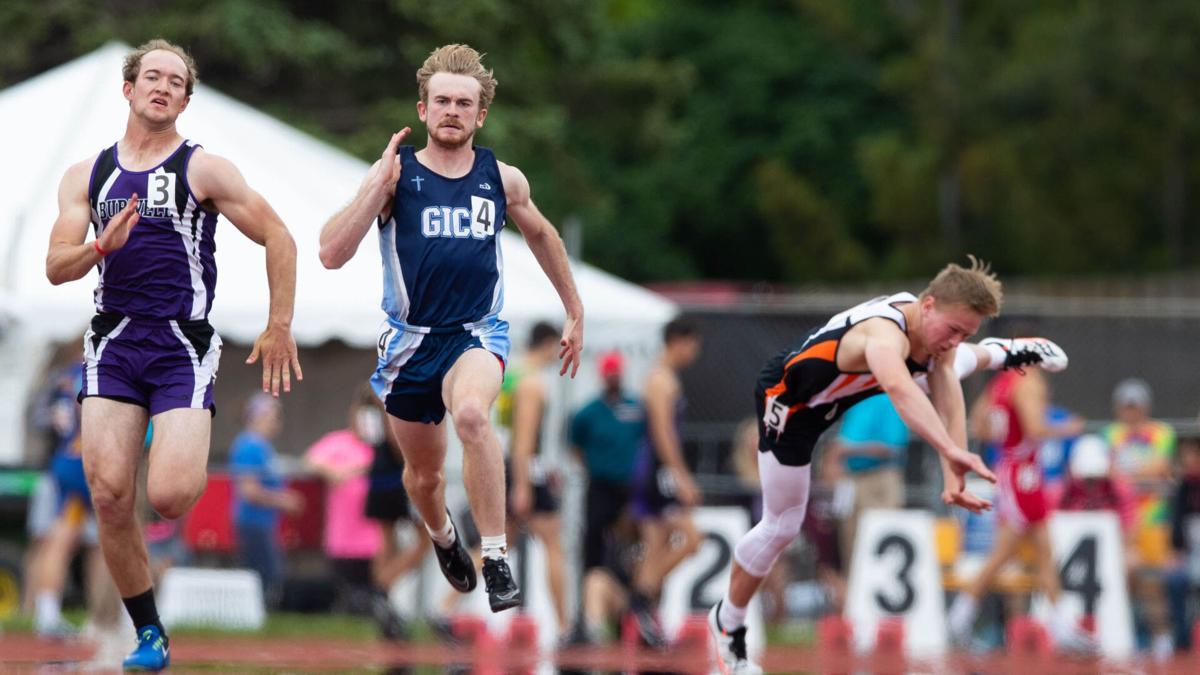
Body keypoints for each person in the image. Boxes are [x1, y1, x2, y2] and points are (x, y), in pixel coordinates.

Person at [44, 38, 302, 671]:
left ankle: (170, 470)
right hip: (113, 338)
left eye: (175, 81)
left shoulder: (203, 169)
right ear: (128, 90)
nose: (162, 86)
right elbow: (55, 267)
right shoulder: (87, 174)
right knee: (108, 493)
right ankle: (149, 633)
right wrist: (99, 248)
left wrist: (279, 323)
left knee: (170, 495)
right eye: (151, 77)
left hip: (181, 343)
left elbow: (278, 234)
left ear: (186, 99)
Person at [318, 44, 583, 613]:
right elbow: (331, 253)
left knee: (470, 415)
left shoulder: (501, 178)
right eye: (442, 101)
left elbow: (542, 234)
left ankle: (496, 557)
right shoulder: (396, 175)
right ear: (423, 108)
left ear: (480, 114)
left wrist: (574, 308)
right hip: (410, 342)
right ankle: (442, 537)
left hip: (475, 332)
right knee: (424, 477)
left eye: (464, 103)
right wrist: (376, 185)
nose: (452, 111)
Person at [707, 258, 1068, 674]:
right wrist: (949, 449)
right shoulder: (884, 332)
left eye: (965, 334)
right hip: (792, 405)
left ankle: (1000, 351)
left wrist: (955, 469)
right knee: (781, 526)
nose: (953, 340)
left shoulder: (934, 339)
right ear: (927, 304)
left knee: (942, 363)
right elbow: (898, 390)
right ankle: (728, 625)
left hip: (851, 391)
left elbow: (947, 391)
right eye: (953, 330)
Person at [947, 366, 1090, 652]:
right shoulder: (1027, 382)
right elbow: (1035, 427)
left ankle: (1062, 626)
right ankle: (959, 617)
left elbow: (978, 425)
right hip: (1021, 472)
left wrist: (1005, 435)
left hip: (1018, 470)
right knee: (1010, 553)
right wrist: (1069, 428)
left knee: (1042, 552)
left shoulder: (999, 383)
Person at [305, 387, 407, 639]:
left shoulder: (381, 449)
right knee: (348, 599)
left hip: (374, 540)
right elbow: (311, 461)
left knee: (376, 594)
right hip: (342, 539)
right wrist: (337, 472)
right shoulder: (339, 441)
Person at [629, 319, 704, 645]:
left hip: (656, 470)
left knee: (656, 546)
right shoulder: (660, 380)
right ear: (679, 341)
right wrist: (680, 476)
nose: (695, 353)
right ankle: (640, 599)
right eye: (693, 344)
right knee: (691, 539)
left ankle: (645, 616)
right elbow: (663, 432)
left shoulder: (662, 377)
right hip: (657, 471)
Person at [568, 350, 645, 643]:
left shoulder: (635, 407)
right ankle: (591, 608)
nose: (614, 377)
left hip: (629, 488)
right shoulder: (588, 412)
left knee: (632, 543)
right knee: (595, 546)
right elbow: (576, 447)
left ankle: (633, 603)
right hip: (600, 486)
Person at [1101, 378, 1176, 656]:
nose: (1131, 413)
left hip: (1153, 519)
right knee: (1123, 579)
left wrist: (1125, 474)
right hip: (1121, 520)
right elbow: (1108, 472)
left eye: (1135, 407)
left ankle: (1161, 636)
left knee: (1153, 581)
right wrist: (1139, 473)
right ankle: (1128, 634)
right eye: (1126, 407)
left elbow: (1160, 468)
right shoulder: (1109, 434)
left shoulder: (1161, 433)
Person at [502, 322, 569, 633]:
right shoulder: (532, 382)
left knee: (499, 543)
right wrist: (523, 486)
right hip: (525, 468)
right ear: (549, 343)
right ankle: (564, 625)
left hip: (510, 465)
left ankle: (445, 607)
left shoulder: (511, 373)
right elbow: (525, 440)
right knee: (554, 543)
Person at [229, 393, 304, 609]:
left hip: (263, 523)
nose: (276, 423)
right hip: (252, 522)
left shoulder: (262, 447)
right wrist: (284, 501)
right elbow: (249, 490)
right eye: (272, 417)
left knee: (267, 572)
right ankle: (259, 614)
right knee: (264, 574)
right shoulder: (249, 446)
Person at [823, 393, 910, 562]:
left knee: (881, 541)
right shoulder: (855, 399)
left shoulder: (889, 397)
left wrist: (848, 450)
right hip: (851, 480)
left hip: (879, 480)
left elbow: (893, 447)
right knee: (851, 544)